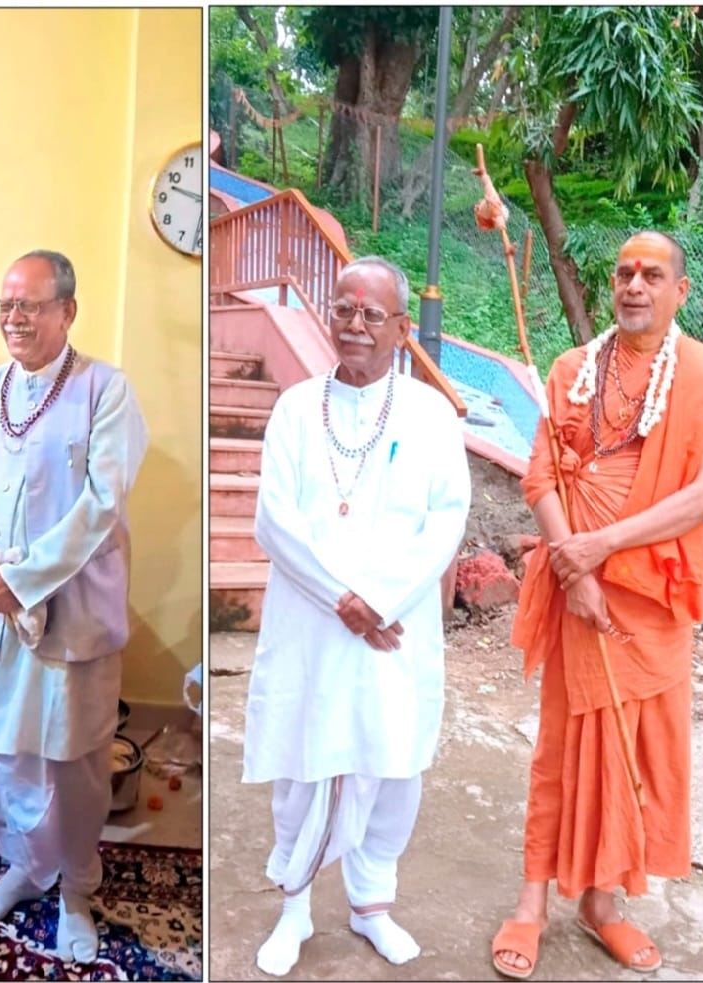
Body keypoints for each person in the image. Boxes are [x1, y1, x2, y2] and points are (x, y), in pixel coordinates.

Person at [492, 231, 703, 979]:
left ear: (679, 291)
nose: (634, 284)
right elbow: (541, 478)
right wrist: (574, 570)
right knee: (562, 749)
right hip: (579, 594)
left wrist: (601, 550)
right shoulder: (572, 370)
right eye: (624, 273)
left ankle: (601, 904)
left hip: (652, 596)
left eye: (651, 274)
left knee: (634, 751)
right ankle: (531, 903)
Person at [242, 256, 471, 976]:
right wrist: (343, 597)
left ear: (403, 329)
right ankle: (293, 906)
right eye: (343, 308)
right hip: (311, 620)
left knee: (392, 764)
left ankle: (372, 905)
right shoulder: (293, 407)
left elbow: (445, 519)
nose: (354, 324)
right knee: (302, 765)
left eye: (373, 314)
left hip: (393, 628)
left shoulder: (430, 414)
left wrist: (379, 598)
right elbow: (272, 518)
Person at [0, 250, 148, 962]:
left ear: (67, 310)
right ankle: (24, 867)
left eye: (28, 304)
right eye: (4, 305)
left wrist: (24, 578)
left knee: (73, 760)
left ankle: (77, 888)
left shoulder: (105, 391)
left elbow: (102, 503)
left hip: (71, 613)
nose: (14, 318)